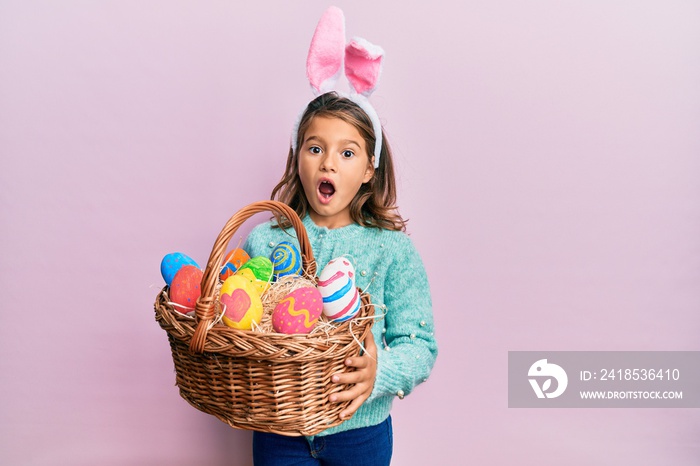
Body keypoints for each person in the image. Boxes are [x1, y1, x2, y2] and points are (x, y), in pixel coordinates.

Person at [242, 8, 437, 466]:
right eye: (316, 148)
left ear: (369, 169)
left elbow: (419, 344)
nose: (329, 163)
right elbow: (246, 325)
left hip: (362, 432)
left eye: (347, 152)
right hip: (280, 430)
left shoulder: (393, 250)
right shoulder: (265, 240)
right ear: (298, 157)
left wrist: (379, 372)